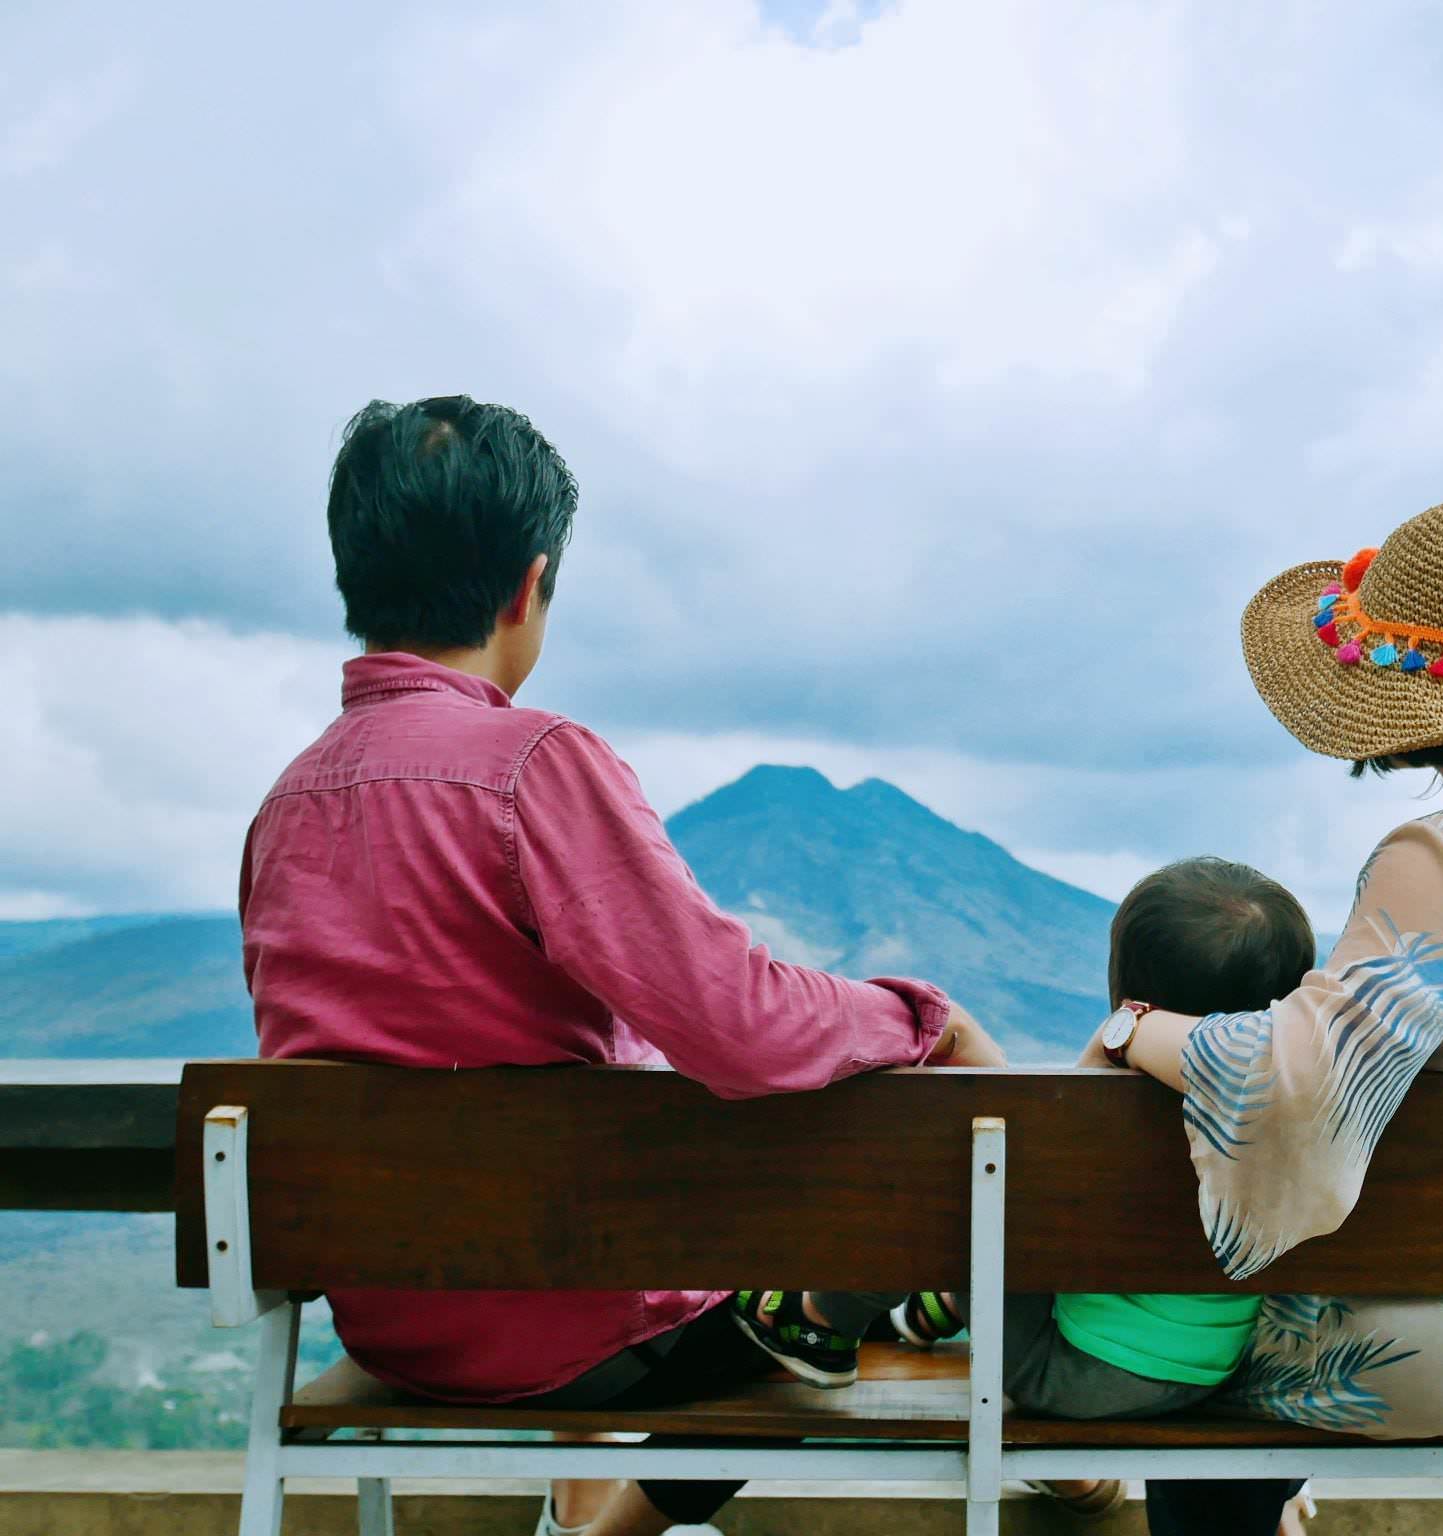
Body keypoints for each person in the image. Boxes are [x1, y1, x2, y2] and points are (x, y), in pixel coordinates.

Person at [238, 396, 1005, 1536]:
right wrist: (920, 1018)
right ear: (527, 586)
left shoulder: (282, 807)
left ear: (356, 578)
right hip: (585, 1335)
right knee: (876, 1189)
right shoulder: (533, 767)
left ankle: (594, 1514)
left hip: (394, 1329)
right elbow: (742, 1024)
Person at [1088, 502, 1443, 1536]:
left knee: (1184, 1353)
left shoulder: (1439, 857)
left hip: (1427, 1356)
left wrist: (1139, 1030)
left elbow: (1296, 1084)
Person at [734, 856, 1315, 1522]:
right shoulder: (1286, 1124)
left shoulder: (1095, 1116)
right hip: (1207, 1374)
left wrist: (1106, 1047)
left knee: (970, 1191)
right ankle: (930, 1311)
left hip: (1063, 1376)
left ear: (1130, 997)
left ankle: (821, 1321)